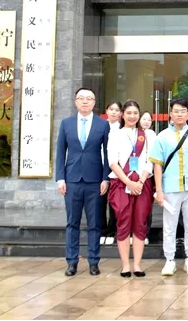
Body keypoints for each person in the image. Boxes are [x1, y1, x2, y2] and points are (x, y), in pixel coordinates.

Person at [55, 87, 110, 277]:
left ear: (94, 103)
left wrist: (105, 178)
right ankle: (72, 262)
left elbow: (107, 153)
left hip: (95, 181)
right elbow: (61, 152)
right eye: (81, 98)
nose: (85, 101)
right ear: (75, 101)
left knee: (95, 223)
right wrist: (60, 178)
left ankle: (94, 261)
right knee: (72, 223)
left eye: (89, 99)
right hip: (72, 181)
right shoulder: (66, 124)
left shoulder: (103, 125)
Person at [150, 98, 188, 276]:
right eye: (176, 111)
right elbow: (157, 165)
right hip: (170, 187)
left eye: (183, 111)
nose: (180, 114)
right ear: (170, 114)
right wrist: (159, 190)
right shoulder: (162, 136)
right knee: (169, 225)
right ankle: (170, 260)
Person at [107, 101, 156, 278]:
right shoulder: (115, 134)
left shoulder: (148, 135)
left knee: (140, 223)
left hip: (143, 185)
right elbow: (113, 162)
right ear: (122, 115)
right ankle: (125, 265)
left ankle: (137, 264)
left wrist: (141, 181)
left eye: (136, 113)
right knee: (123, 222)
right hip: (121, 184)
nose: (132, 116)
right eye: (129, 113)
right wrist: (129, 182)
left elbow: (151, 160)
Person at [101, 101, 123, 246]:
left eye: (117, 110)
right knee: (100, 201)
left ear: (121, 113)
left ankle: (111, 229)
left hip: (117, 167)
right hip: (100, 166)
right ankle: (102, 230)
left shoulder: (122, 128)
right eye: (111, 109)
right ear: (107, 111)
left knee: (114, 202)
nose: (114, 112)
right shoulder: (100, 126)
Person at [138, 111, 154, 246]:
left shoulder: (153, 135)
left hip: (148, 176)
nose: (147, 121)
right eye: (144, 119)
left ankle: (145, 233)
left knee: (146, 207)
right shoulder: (132, 133)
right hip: (132, 176)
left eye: (149, 119)